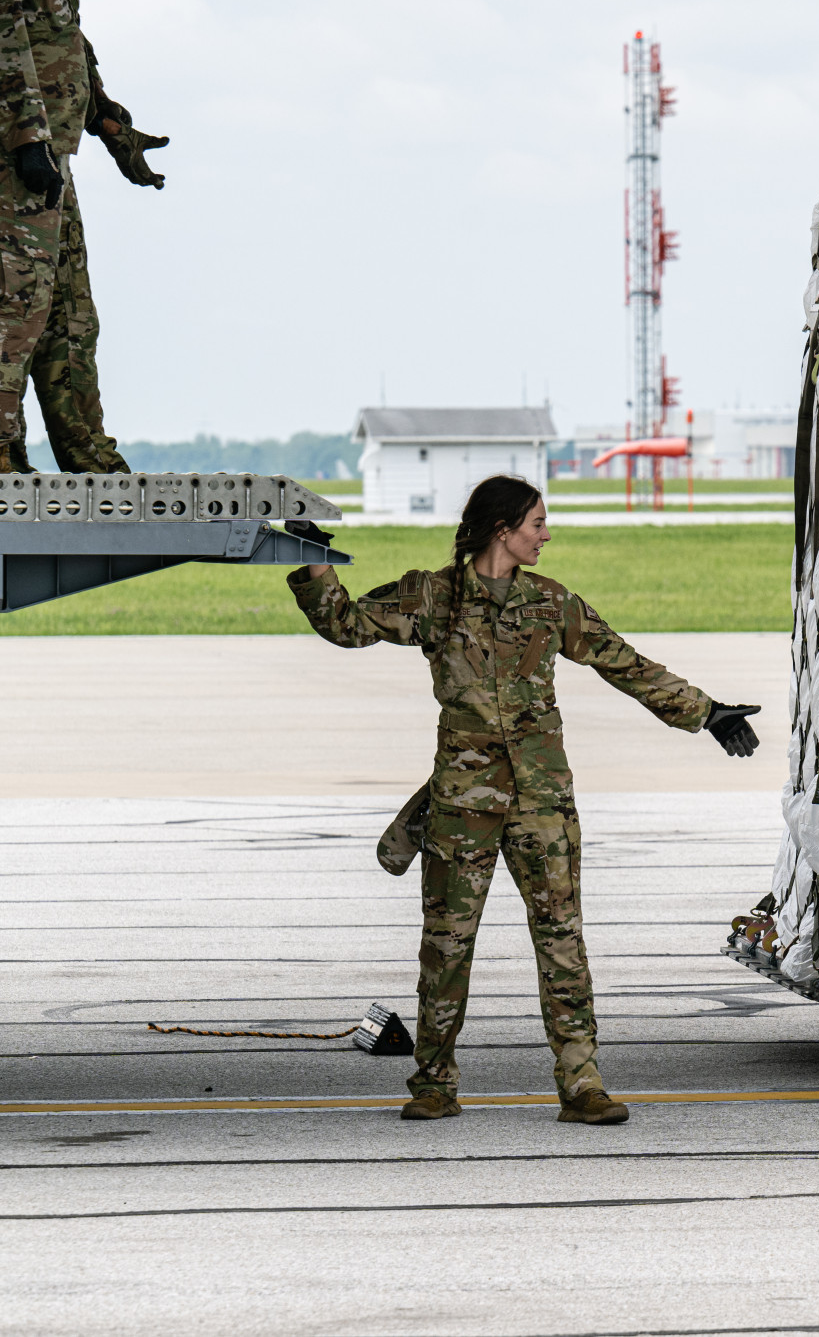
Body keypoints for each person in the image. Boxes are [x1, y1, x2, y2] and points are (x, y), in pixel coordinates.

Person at [288, 476, 764, 1124]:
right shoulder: (434, 596)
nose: (546, 534)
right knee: (446, 946)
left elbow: (623, 660)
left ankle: (582, 1084)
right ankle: (433, 1081)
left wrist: (705, 713)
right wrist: (313, 560)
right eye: (537, 522)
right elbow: (346, 624)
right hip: (463, 802)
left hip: (542, 800)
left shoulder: (550, 602)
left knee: (562, 942)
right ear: (501, 528)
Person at [0, 0, 167, 474]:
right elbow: (4, 34)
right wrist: (26, 136)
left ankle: (88, 455)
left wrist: (111, 126)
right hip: (16, 160)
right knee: (14, 309)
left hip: (53, 154)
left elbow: (67, 39)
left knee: (70, 315)